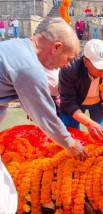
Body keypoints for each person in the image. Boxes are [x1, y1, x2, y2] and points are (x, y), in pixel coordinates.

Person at [0, 17, 89, 214]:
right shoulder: (29, 68)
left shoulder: (18, 47)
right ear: (56, 47)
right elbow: (46, 116)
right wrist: (70, 144)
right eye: (67, 58)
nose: (66, 66)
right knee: (4, 201)